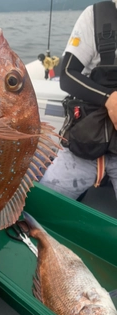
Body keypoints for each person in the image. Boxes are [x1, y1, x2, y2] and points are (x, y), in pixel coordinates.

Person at [40, 0, 117, 200]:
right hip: (86, 143)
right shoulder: (95, 16)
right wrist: (108, 99)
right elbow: (66, 75)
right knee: (41, 206)